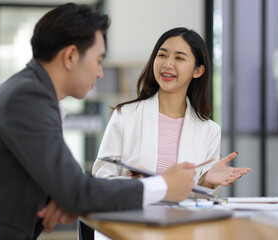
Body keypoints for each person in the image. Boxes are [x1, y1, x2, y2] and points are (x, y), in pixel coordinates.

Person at [0, 4, 198, 240]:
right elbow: (76, 190)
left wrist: (61, 197)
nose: (99, 71)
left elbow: (67, 184)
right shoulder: (27, 98)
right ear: (71, 56)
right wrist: (163, 185)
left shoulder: (33, 94)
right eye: (98, 60)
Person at [92, 27, 251, 198]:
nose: (167, 64)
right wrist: (139, 185)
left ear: (197, 71)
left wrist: (207, 181)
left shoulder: (209, 130)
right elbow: (100, 179)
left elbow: (200, 200)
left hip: (182, 223)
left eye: (179, 58)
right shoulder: (126, 115)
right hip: (134, 221)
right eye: (162, 55)